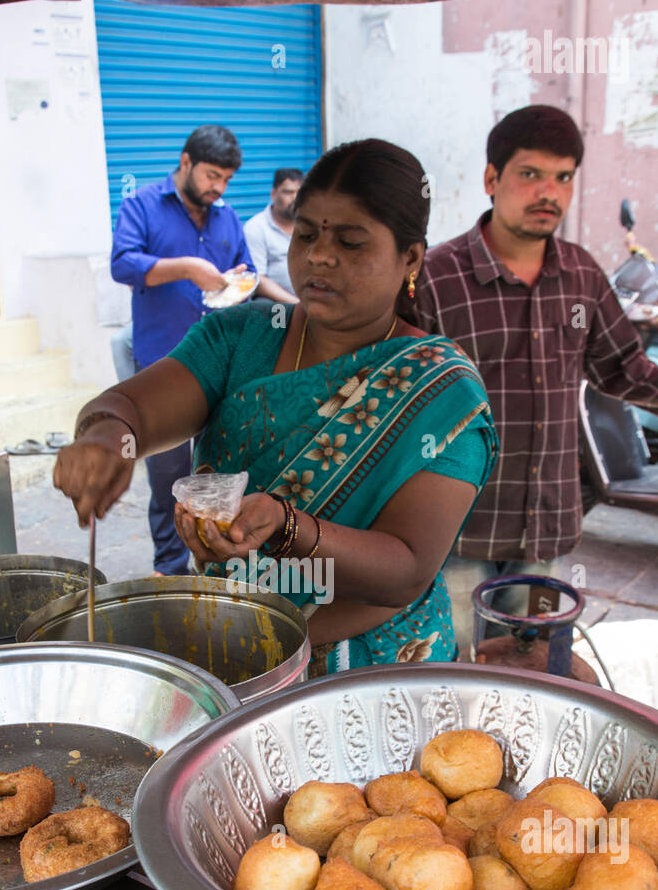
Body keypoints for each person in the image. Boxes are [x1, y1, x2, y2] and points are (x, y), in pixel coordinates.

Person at [55, 138, 498, 669]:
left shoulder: (441, 392)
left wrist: (288, 528)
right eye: (305, 234)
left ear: (410, 258)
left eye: (351, 242)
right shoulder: (243, 338)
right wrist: (108, 439)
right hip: (230, 652)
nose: (318, 256)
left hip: (374, 672)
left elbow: (407, 568)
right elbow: (132, 407)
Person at [415, 104, 658, 656]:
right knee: (456, 675)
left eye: (563, 177)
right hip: (456, 531)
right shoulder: (438, 278)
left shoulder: (580, 274)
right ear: (491, 179)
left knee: (535, 675)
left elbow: (624, 370)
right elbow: (398, 400)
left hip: (544, 531)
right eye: (530, 174)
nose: (548, 191)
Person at [110, 124, 255, 576]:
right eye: (213, 176)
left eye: (227, 180)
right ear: (186, 162)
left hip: (222, 368)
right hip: (162, 364)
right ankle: (171, 571)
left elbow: (244, 270)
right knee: (169, 477)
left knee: (218, 472)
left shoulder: (226, 216)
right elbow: (122, 263)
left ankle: (217, 566)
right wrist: (187, 268)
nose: (219, 188)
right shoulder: (143, 205)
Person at [244, 168, 303, 304]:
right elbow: (257, 279)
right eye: (288, 192)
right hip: (276, 302)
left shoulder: (310, 224)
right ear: (273, 194)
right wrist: (297, 304)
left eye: (299, 193)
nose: (295, 198)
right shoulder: (256, 227)